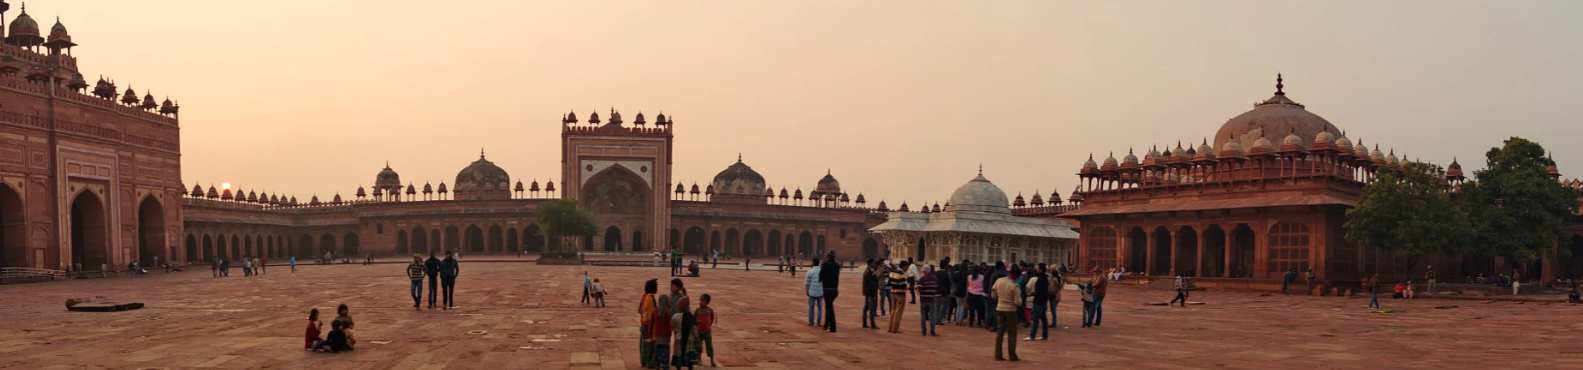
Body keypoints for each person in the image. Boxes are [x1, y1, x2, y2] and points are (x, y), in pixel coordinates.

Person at [992, 268, 1021, 361]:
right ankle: (1012, 355)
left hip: (1000, 307)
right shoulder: (1014, 286)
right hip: (1011, 310)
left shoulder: (999, 280)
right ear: (1015, 275)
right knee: (1012, 333)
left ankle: (998, 354)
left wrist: (999, 298)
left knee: (1000, 332)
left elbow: (993, 293)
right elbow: (1018, 302)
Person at [671, 296, 697, 370]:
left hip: (679, 339)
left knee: (679, 355)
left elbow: (672, 326)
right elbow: (694, 329)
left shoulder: (675, 316)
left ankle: (678, 367)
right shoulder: (691, 316)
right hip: (689, 340)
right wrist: (697, 338)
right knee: (689, 356)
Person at [639, 279, 659, 369]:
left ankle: (644, 361)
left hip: (644, 323)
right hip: (648, 324)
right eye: (656, 286)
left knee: (644, 343)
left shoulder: (644, 296)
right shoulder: (650, 298)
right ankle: (649, 362)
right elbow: (649, 313)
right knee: (649, 344)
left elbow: (639, 310)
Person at [819, 251, 841, 333]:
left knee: (829, 308)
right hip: (835, 289)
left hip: (827, 289)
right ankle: (826, 325)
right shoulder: (837, 265)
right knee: (828, 306)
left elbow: (820, 277)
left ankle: (833, 327)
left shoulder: (825, 265)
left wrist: (822, 266)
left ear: (828, 257)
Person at [886, 260, 910, 333]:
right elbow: (904, 285)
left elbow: (888, 283)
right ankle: (895, 329)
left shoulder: (892, 272)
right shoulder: (902, 273)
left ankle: (890, 328)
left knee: (893, 311)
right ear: (904, 266)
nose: (907, 269)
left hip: (892, 293)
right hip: (900, 294)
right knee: (898, 312)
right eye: (907, 267)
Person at [1026, 267, 1049, 341]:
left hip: (1038, 302)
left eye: (1038, 268)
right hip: (1044, 301)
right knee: (1044, 319)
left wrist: (1031, 294)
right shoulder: (1045, 278)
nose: (1036, 269)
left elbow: (1037, 291)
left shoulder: (1040, 279)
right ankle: (1044, 335)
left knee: (1035, 320)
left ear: (1041, 269)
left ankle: (1032, 336)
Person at [695, 294, 718, 367]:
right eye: (700, 300)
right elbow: (694, 319)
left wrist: (708, 325)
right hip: (699, 331)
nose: (700, 302)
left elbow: (711, 319)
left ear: (707, 302)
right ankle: (699, 359)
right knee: (698, 346)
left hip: (707, 331)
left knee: (709, 345)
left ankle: (712, 360)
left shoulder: (710, 310)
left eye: (702, 300)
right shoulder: (697, 310)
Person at [652, 295, 674, 370]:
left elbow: (652, 322)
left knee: (657, 349)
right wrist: (669, 335)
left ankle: (657, 365)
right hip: (665, 335)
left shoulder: (655, 311)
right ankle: (665, 365)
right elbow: (669, 326)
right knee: (665, 350)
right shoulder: (668, 313)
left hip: (657, 334)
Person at [917, 265, 939, 336]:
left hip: (923, 299)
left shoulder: (922, 279)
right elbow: (936, 289)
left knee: (923, 317)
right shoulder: (934, 279)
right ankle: (932, 331)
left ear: (924, 271)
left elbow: (918, 289)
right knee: (932, 316)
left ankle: (924, 331)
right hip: (932, 299)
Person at [861, 259, 880, 329]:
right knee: (871, 309)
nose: (874, 264)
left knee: (866, 308)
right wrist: (871, 293)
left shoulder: (868, 271)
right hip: (870, 293)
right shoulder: (869, 272)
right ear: (871, 263)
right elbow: (870, 284)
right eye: (873, 263)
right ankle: (872, 324)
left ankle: (865, 323)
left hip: (868, 292)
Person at [805, 260, 824, 327]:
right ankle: (819, 322)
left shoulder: (810, 271)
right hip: (820, 292)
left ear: (813, 263)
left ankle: (811, 322)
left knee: (811, 307)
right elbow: (824, 282)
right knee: (820, 308)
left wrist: (807, 291)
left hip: (812, 292)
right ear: (818, 263)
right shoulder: (822, 271)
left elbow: (807, 283)